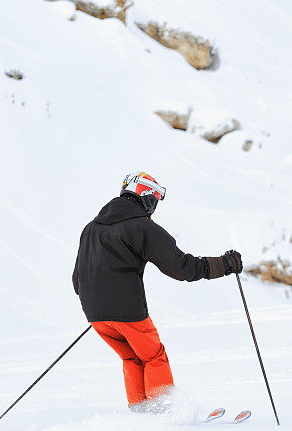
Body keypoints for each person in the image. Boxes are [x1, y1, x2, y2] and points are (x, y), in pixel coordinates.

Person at [72, 171, 243, 410]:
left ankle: (141, 414)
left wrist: (101, 306)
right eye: (155, 200)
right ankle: (164, 412)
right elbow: (182, 268)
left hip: (95, 314)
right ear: (147, 197)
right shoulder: (141, 227)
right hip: (127, 311)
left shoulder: (91, 228)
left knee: (132, 358)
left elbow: (76, 280)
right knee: (154, 356)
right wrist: (224, 265)